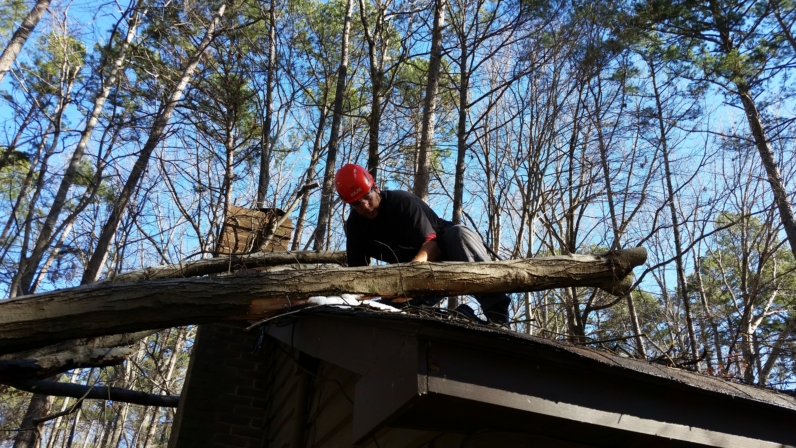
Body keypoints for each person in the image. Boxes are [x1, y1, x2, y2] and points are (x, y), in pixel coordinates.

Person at [334, 163, 510, 325]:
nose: (364, 205)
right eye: (356, 203)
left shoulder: (402, 203)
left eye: (367, 196)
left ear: (376, 188)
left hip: (445, 252)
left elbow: (431, 247)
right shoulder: (356, 228)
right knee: (386, 313)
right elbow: (357, 275)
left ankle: (498, 316)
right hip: (419, 279)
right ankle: (460, 320)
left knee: (460, 234)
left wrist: (407, 278)